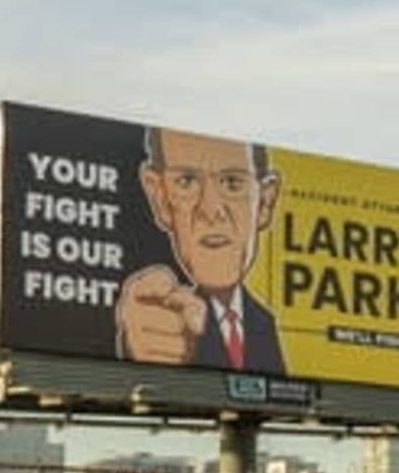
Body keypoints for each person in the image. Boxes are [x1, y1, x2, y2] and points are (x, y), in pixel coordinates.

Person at [118, 127, 291, 373]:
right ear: (160, 198)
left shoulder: (265, 323)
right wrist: (134, 357)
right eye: (186, 182)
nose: (211, 211)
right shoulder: (163, 312)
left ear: (265, 201)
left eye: (232, 183)